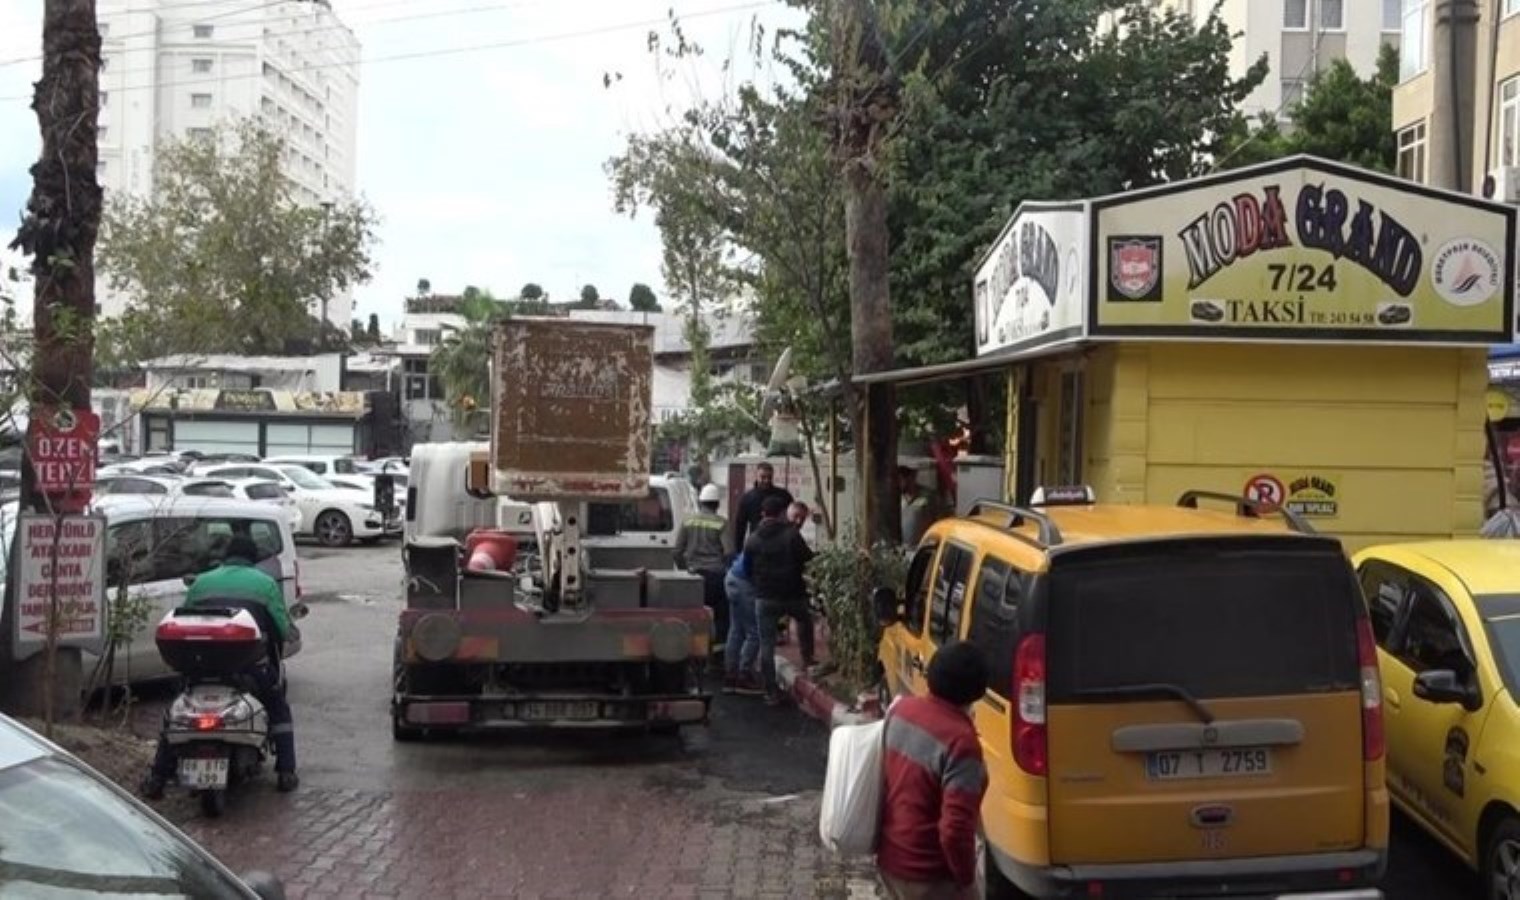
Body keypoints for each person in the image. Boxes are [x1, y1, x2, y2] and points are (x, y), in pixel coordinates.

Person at [142, 535, 299, 797]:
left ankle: (158, 777)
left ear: (226, 557)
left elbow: (186, 619)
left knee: (177, 716)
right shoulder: (265, 583)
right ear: (252, 559)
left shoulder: (202, 582)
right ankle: (286, 771)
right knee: (278, 708)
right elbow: (282, 629)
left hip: (199, 667)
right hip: (248, 669)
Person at [877, 642, 990, 900]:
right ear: (977, 691)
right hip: (929, 876)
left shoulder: (901, 710)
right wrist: (966, 881)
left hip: (891, 861)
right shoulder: (961, 742)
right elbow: (955, 830)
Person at [744, 495, 815, 706]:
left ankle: (771, 691)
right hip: (793, 594)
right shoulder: (791, 535)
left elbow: (747, 570)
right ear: (782, 513)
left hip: (765, 597)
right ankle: (808, 659)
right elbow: (809, 559)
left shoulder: (753, 539)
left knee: (766, 644)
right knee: (805, 620)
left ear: (763, 514)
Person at [673, 483, 735, 656]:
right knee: (722, 616)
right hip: (716, 577)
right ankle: (717, 655)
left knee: (692, 615)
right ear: (717, 504)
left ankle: (691, 650)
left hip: (692, 577)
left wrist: (685, 569)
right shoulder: (721, 523)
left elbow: (677, 551)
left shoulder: (688, 521)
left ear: (700, 502)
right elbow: (729, 552)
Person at [721, 550, 763, 695]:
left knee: (736, 629)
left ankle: (730, 675)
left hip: (733, 577)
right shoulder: (777, 545)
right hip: (745, 583)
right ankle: (744, 675)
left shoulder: (757, 540)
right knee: (755, 632)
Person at [733, 462, 794, 549]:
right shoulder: (747, 498)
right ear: (756, 476)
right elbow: (740, 526)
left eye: (769, 477)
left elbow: (792, 518)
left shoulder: (783, 495)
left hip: (779, 543)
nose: (766, 480)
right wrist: (738, 549)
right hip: (756, 544)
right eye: (763, 477)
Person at [898, 466, 936, 547]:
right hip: (903, 547)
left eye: (901, 479)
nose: (898, 483)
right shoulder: (896, 497)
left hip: (922, 547)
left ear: (911, 477)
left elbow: (936, 520)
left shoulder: (927, 496)